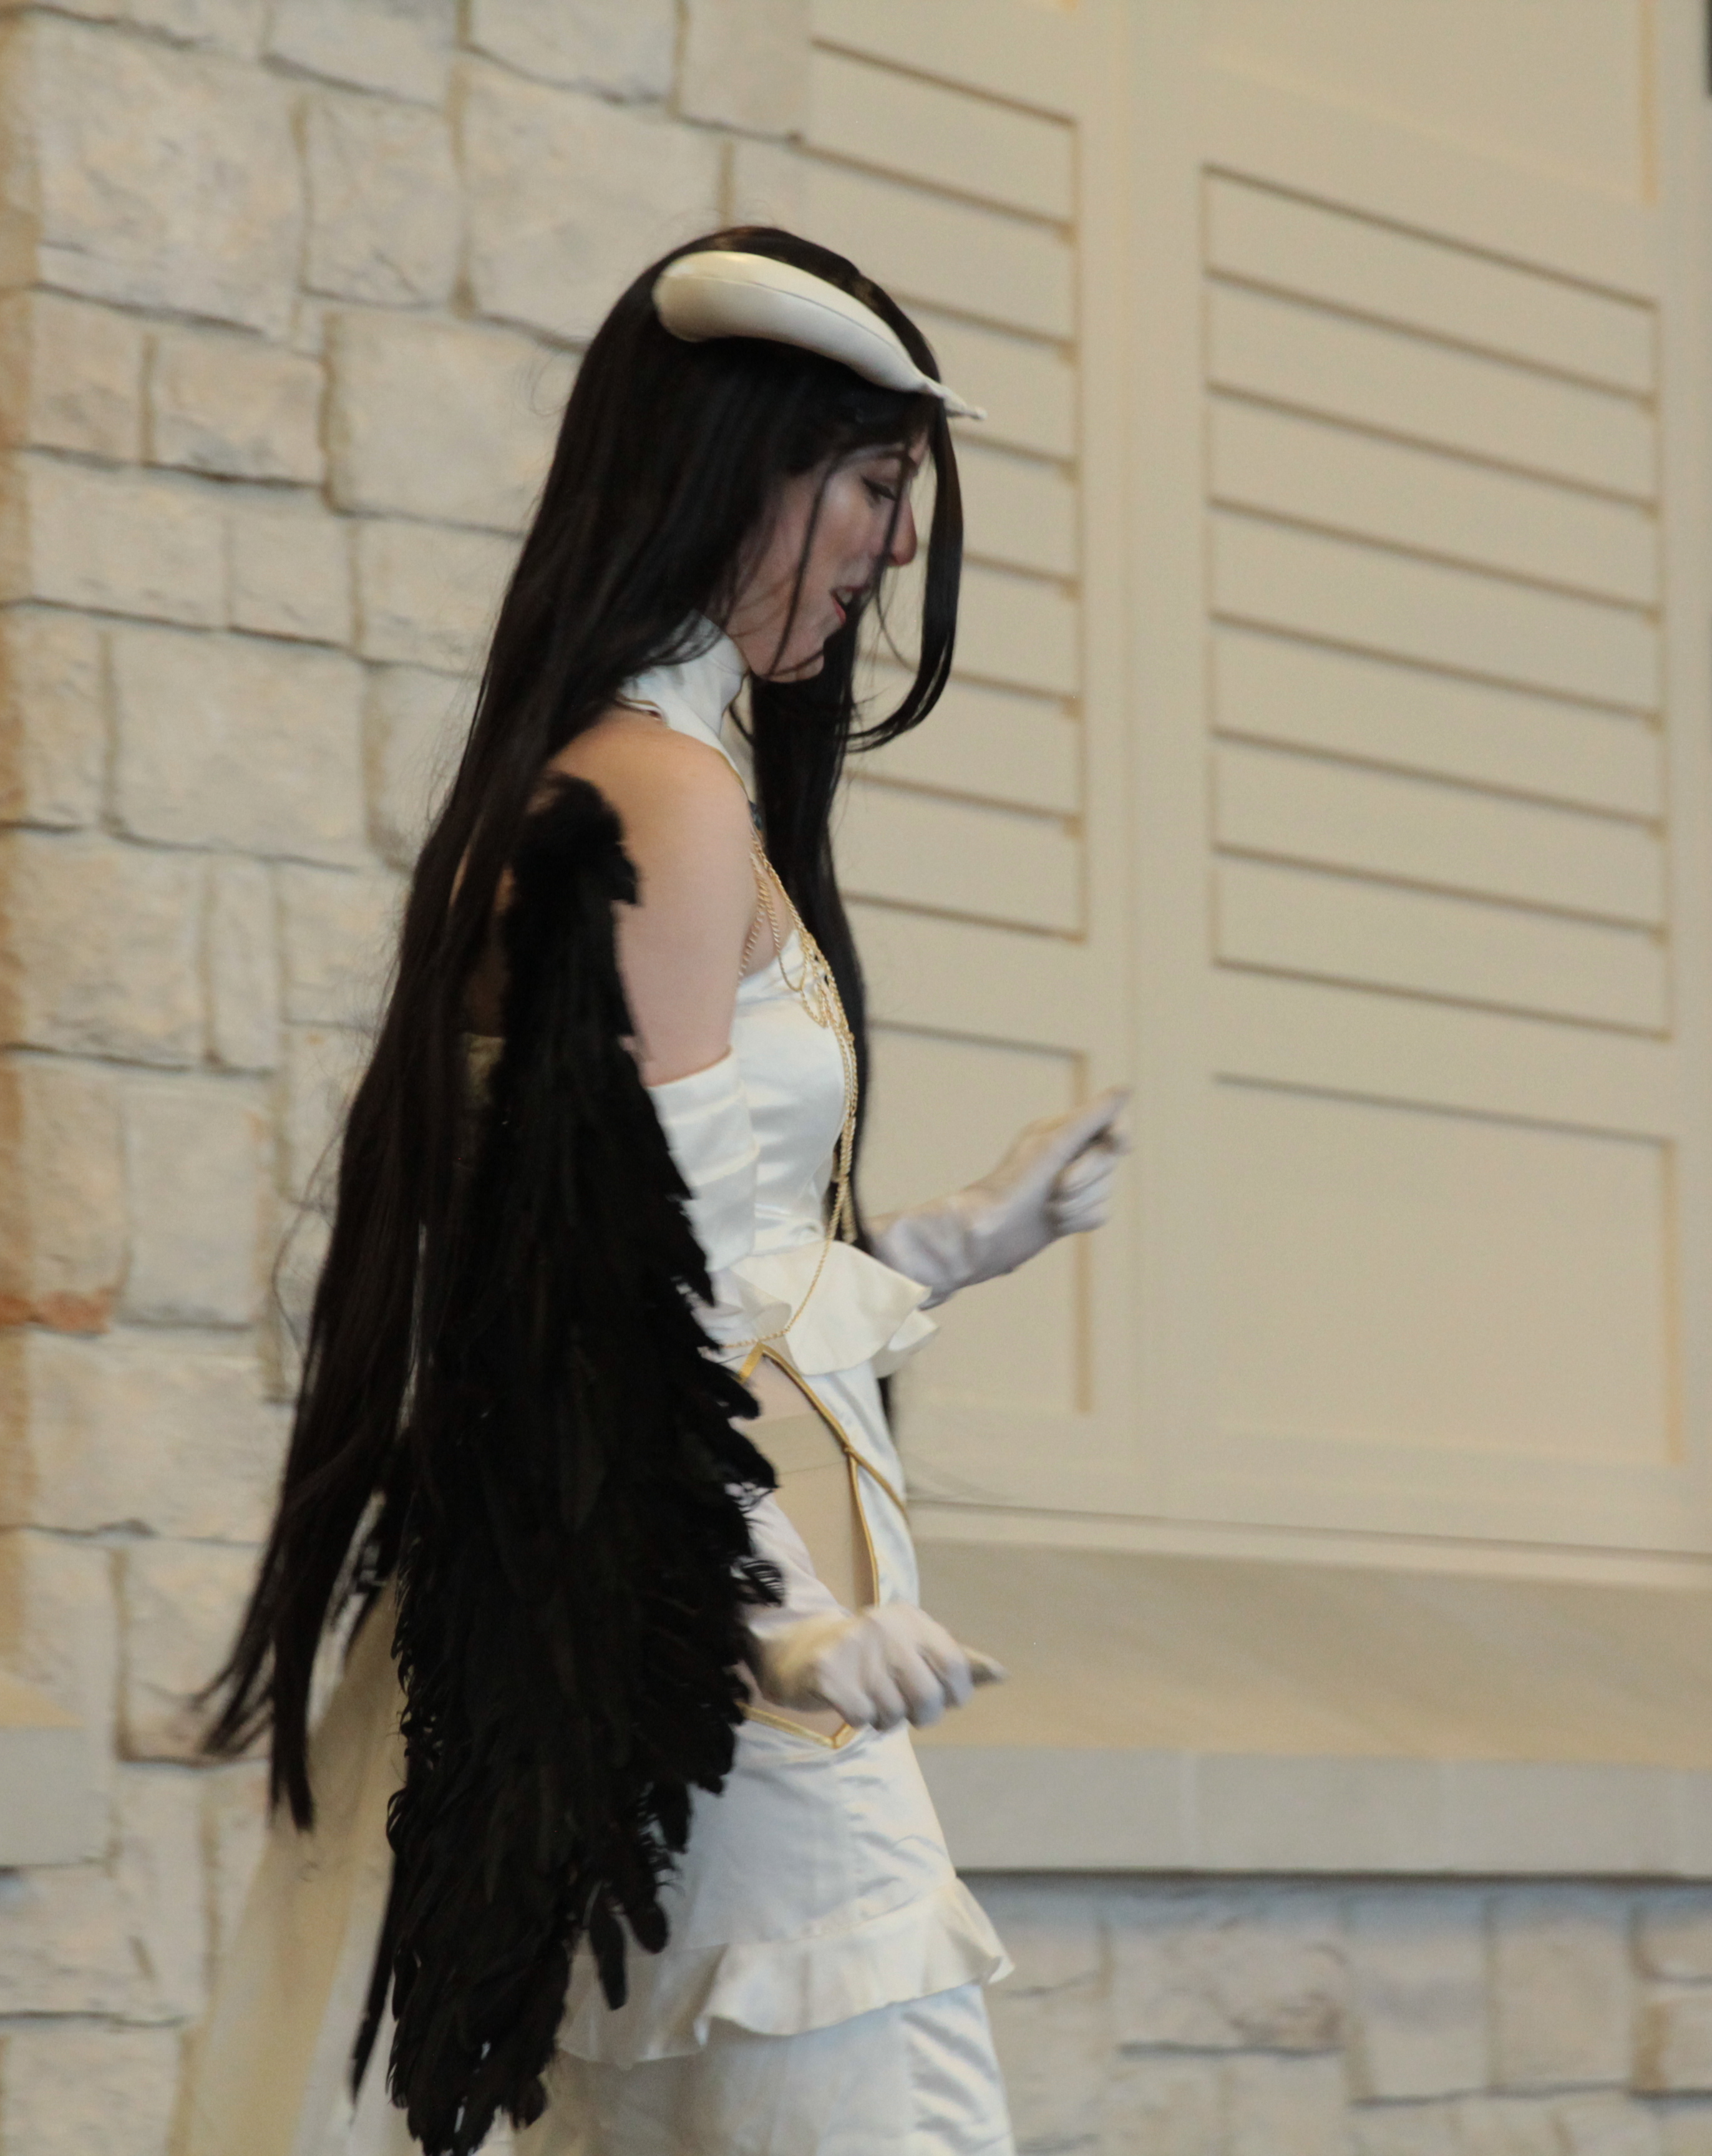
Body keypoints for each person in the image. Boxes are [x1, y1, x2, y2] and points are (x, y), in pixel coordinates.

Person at [178, 229, 1131, 2156]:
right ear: (735, 468)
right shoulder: (662, 804)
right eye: (872, 484)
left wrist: (960, 1241)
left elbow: (682, 1255)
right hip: (737, 1684)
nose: (897, 546)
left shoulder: (645, 784)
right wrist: (781, 1625)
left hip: (697, 1650)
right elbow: (610, 1311)